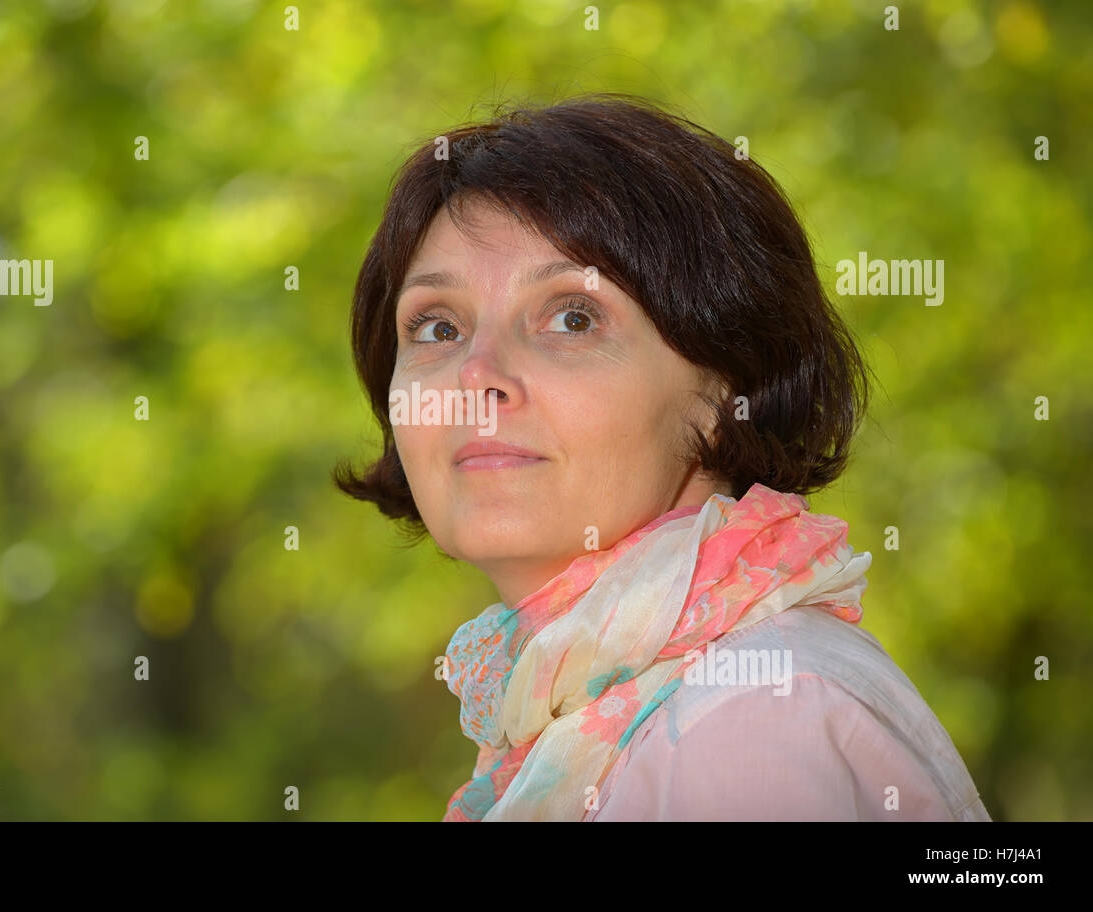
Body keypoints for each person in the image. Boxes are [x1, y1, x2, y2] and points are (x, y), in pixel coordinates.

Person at [333, 93, 989, 822]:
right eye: (437, 326)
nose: (474, 376)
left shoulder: (750, 722)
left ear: (720, 392)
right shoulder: (590, 716)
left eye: (573, 317)